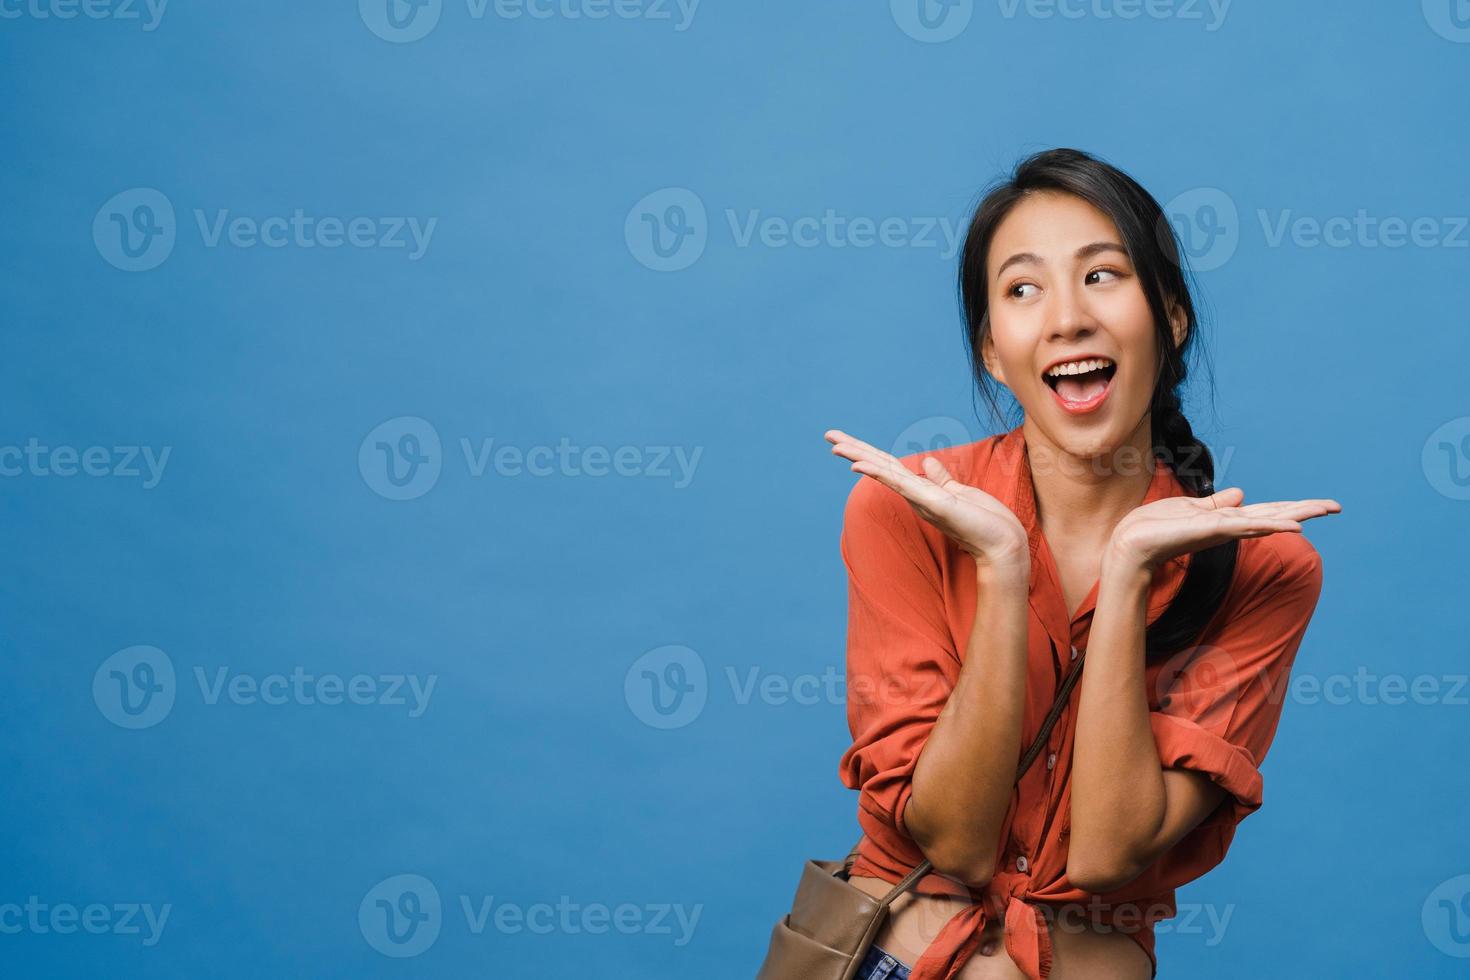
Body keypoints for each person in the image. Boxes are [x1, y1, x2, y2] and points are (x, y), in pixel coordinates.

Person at [822, 148, 1341, 979]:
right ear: (994, 351)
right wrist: (1002, 565)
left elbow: (1105, 853)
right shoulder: (904, 511)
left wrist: (1131, 573)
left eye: (1102, 275)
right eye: (1023, 289)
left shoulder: (1265, 569)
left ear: (1171, 318)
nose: (1066, 317)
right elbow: (953, 839)